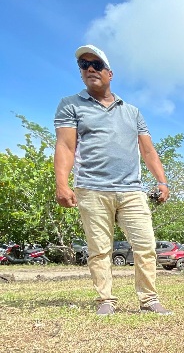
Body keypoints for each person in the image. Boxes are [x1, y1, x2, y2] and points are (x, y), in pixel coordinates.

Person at [53, 44, 172, 316]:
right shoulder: (70, 105)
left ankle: (149, 299)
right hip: (92, 188)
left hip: (132, 190)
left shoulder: (132, 112)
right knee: (99, 249)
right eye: (84, 65)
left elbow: (148, 150)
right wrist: (62, 183)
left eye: (96, 64)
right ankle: (105, 299)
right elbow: (65, 147)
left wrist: (162, 181)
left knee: (145, 245)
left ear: (110, 73)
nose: (90, 69)